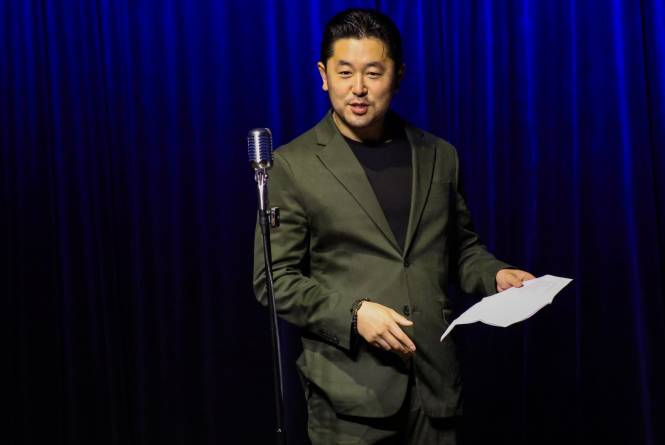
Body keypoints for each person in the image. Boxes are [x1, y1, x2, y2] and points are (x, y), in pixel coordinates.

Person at [253, 8, 534, 444]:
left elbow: (460, 249)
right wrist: (354, 315)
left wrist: (495, 275)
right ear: (323, 75)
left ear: (397, 76)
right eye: (345, 72)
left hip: (435, 388)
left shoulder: (439, 155)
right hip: (349, 397)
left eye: (373, 72)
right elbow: (274, 280)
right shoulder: (293, 165)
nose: (358, 88)